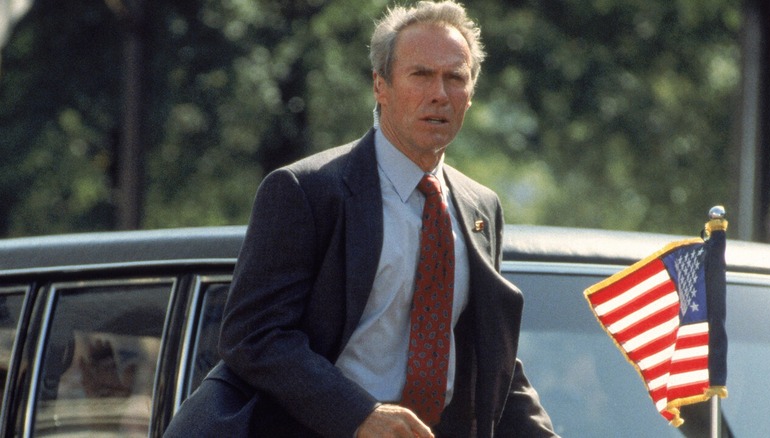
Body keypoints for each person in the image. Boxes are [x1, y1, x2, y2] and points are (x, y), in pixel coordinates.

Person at [165, 1, 556, 437]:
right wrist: (358, 415)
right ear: (380, 86)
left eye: (455, 78)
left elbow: (492, 358)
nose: (439, 94)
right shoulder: (306, 191)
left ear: (471, 92)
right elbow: (252, 334)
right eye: (421, 74)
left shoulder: (481, 206)